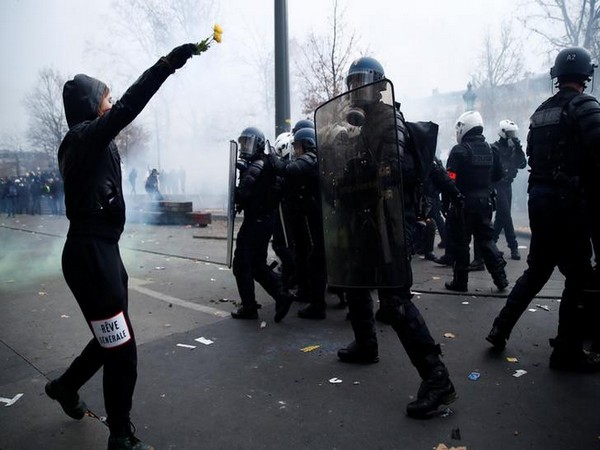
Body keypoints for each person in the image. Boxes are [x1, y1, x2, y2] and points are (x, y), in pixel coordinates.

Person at [45, 43, 198, 450]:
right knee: (122, 349)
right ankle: (120, 436)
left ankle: (66, 386)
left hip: (102, 254)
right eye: (106, 99)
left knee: (112, 337)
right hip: (91, 256)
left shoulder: (89, 141)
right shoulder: (82, 138)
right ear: (92, 105)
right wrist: (164, 66)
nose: (111, 105)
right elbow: (128, 108)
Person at [317, 56, 458, 419]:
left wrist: (361, 176)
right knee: (356, 281)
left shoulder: (388, 120)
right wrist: (340, 179)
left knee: (394, 302)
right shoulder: (365, 124)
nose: (356, 89)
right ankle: (366, 343)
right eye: (353, 82)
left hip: (392, 224)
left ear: (380, 86)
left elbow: (394, 172)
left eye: (363, 81)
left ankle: (437, 379)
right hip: (370, 220)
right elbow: (361, 167)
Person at [486, 47, 600, 372]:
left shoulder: (540, 113)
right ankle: (567, 350)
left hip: (541, 199)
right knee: (579, 276)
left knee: (537, 269)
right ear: (585, 77)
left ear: (557, 76)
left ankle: (500, 327)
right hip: (570, 204)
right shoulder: (586, 105)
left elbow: (533, 160)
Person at [230, 126, 292, 322]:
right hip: (265, 221)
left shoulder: (256, 165)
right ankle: (281, 295)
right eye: (242, 143)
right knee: (256, 265)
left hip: (255, 222)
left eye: (247, 143)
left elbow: (242, 194)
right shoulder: (264, 163)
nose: (244, 147)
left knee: (241, 264)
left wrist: (237, 181)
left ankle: (249, 308)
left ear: (258, 143)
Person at [444, 111, 509, 292]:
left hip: (463, 203)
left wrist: (447, 203)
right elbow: (498, 175)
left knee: (461, 243)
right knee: (487, 240)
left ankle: (460, 282)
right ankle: (500, 278)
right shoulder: (491, 149)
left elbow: (449, 179)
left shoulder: (459, 151)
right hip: (485, 202)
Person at [271, 126, 327, 319]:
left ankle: (318, 305)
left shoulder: (311, 159)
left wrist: (272, 157)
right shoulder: (312, 159)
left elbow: (289, 169)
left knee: (316, 260)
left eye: (298, 146)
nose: (295, 151)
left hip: (317, 218)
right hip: (311, 216)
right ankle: (308, 295)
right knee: (308, 256)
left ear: (307, 145)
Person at [472, 120, 527, 266]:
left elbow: (522, 164)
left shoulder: (513, 148)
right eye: (510, 133)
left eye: (513, 133)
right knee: (505, 214)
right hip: (498, 185)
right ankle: (509, 246)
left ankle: (492, 245)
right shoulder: (494, 148)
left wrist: (518, 147)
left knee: (503, 216)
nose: (512, 136)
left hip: (508, 185)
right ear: (502, 132)